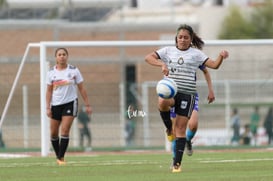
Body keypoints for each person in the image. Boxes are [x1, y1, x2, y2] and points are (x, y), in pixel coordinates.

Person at [145, 24, 228, 173]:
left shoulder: (196, 54)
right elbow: (148, 57)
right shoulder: (167, 51)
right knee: (162, 101)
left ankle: (177, 165)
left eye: (186, 37)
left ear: (191, 40)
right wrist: (161, 64)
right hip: (171, 91)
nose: (182, 40)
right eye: (180, 37)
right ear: (176, 38)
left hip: (187, 94)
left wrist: (221, 56)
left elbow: (214, 66)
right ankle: (169, 129)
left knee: (182, 129)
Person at [46, 47, 92, 165]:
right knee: (53, 133)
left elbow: (81, 88)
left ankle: (61, 158)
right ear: (56, 57)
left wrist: (87, 104)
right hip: (55, 104)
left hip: (70, 103)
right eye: (59, 54)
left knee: (65, 130)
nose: (62, 56)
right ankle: (58, 156)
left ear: (67, 56)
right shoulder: (51, 73)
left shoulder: (74, 70)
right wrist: (47, 107)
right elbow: (49, 91)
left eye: (64, 54)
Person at [171, 65, 215, 161]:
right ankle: (175, 161)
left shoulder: (193, 55)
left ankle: (187, 140)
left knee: (193, 125)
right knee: (175, 130)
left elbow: (206, 70)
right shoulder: (171, 54)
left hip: (190, 94)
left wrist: (211, 90)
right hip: (174, 95)